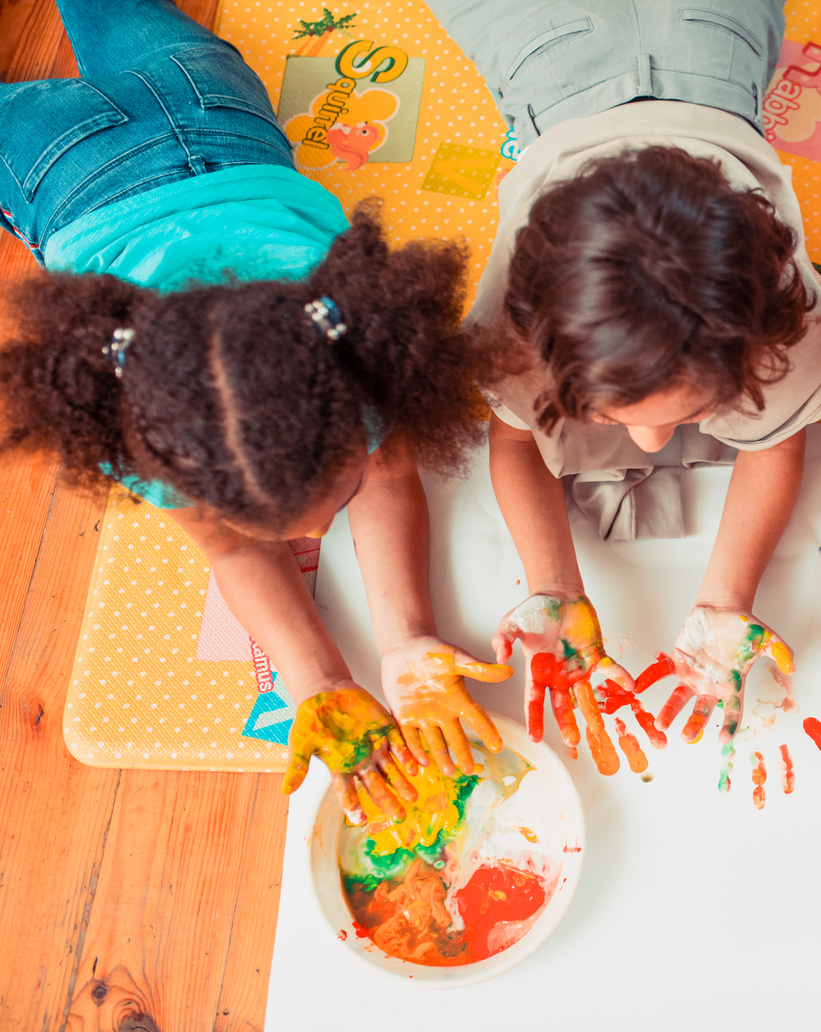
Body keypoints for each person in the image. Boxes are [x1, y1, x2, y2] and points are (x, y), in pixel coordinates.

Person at [0, 0, 510, 824]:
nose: (310, 542)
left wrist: (388, 653)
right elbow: (242, 551)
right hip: (116, 144)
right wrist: (325, 672)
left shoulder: (347, 357)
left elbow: (367, 492)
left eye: (331, 503)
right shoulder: (144, 430)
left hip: (195, 118)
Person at [421, 0, 821, 758]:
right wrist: (554, 586)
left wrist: (725, 601)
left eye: (691, 410)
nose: (650, 443)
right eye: (621, 417)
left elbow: (775, 444)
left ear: (760, 349)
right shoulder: (507, 336)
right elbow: (516, 444)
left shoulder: (799, 330)